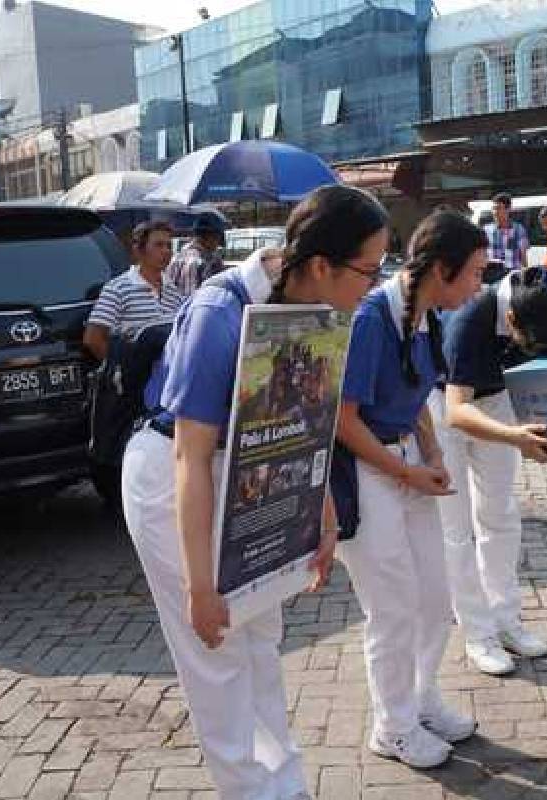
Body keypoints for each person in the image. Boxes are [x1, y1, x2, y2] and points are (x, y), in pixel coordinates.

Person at [120, 185, 389, 800]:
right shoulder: (221, 312)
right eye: (368, 271)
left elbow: (304, 421)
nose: (373, 286)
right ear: (322, 265)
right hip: (177, 478)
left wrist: (319, 519)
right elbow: (191, 455)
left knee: (260, 634)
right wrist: (200, 588)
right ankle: (249, 790)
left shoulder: (313, 310)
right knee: (213, 644)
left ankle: (284, 783)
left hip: (255, 471)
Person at [335, 210, 488, 769]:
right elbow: (344, 421)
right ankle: (392, 725)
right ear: (442, 269)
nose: (478, 287)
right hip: (368, 470)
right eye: (472, 274)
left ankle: (421, 697)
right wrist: (408, 471)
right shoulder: (372, 319)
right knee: (392, 607)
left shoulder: (425, 314)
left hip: (407, 464)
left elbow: (420, 393)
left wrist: (431, 452)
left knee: (434, 595)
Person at [429, 266, 547, 676]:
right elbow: (458, 412)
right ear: (510, 319)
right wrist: (516, 437)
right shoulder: (470, 318)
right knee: (455, 529)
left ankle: (506, 620)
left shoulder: (542, 296)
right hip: (446, 407)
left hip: (495, 398)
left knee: (500, 515)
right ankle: (478, 633)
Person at [83, 220, 183, 362]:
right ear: (139, 250)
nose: (166, 251)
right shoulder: (118, 288)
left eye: (169, 245)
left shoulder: (173, 291)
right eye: (158, 245)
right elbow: (93, 338)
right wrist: (120, 370)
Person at [167, 214, 227, 297]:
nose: (217, 245)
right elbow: (193, 298)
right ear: (208, 237)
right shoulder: (197, 262)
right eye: (217, 238)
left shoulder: (176, 257)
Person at [483, 192, 530, 274]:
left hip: (512, 275)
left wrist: (525, 275)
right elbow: (482, 254)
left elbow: (523, 257)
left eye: (498, 208)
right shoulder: (486, 230)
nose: (495, 212)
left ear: (508, 209)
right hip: (492, 276)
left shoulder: (519, 230)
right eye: (493, 208)